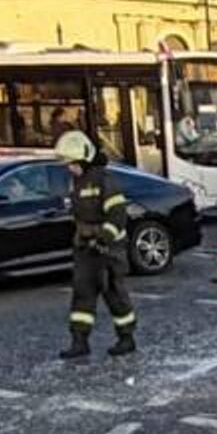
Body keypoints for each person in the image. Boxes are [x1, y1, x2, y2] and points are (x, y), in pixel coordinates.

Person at [54, 130, 138, 359]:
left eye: (72, 164)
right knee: (82, 293)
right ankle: (79, 341)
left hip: (108, 249)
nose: (69, 168)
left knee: (114, 293)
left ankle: (126, 338)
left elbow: (118, 214)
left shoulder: (104, 179)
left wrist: (103, 238)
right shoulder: (76, 182)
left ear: (83, 159)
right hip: (86, 248)